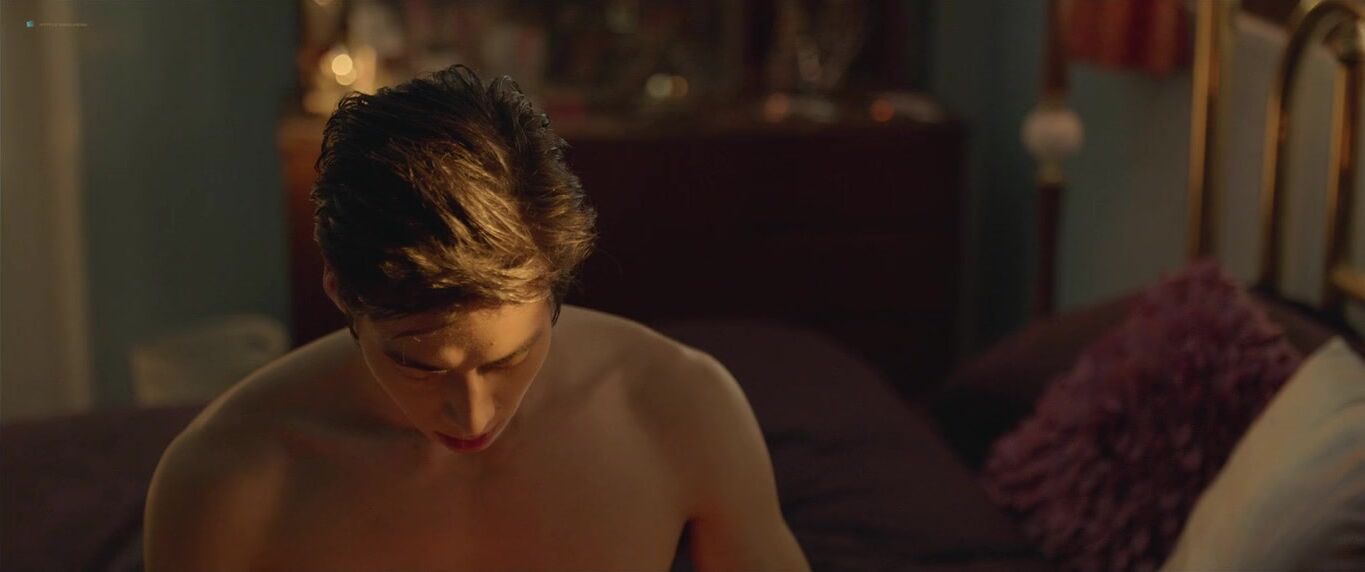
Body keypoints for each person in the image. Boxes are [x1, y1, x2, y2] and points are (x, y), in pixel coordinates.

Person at [143, 64, 810, 572]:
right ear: (341, 293)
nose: (472, 416)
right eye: (418, 364)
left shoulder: (680, 407)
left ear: (552, 290)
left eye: (507, 359)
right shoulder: (228, 484)